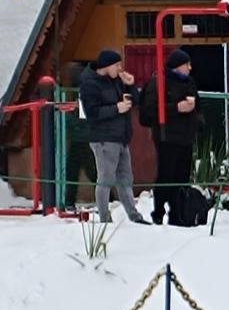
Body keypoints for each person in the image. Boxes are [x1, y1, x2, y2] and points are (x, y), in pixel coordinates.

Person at [77, 49, 148, 225]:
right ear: (107, 66)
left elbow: (135, 101)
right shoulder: (89, 84)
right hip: (103, 138)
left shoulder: (116, 81)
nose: (120, 68)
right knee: (106, 178)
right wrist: (117, 108)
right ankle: (104, 217)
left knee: (126, 178)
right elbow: (92, 113)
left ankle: (134, 215)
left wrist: (130, 85)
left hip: (121, 136)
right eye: (117, 65)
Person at [151, 48, 199, 226]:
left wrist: (197, 122)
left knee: (182, 176)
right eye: (187, 65)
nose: (190, 68)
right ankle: (158, 211)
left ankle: (178, 213)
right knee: (166, 175)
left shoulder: (190, 83)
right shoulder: (159, 83)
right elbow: (150, 110)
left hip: (186, 137)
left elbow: (198, 105)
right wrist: (176, 108)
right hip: (167, 137)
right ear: (178, 66)